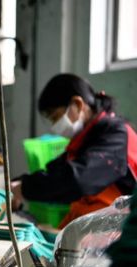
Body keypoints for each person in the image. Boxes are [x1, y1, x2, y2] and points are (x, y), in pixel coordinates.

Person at [11, 73, 137, 228]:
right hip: (95, 224)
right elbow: (56, 171)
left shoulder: (117, 135)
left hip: (124, 230)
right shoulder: (87, 138)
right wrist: (18, 183)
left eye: (55, 117)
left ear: (77, 104)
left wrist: (24, 188)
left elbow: (77, 180)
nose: (54, 125)